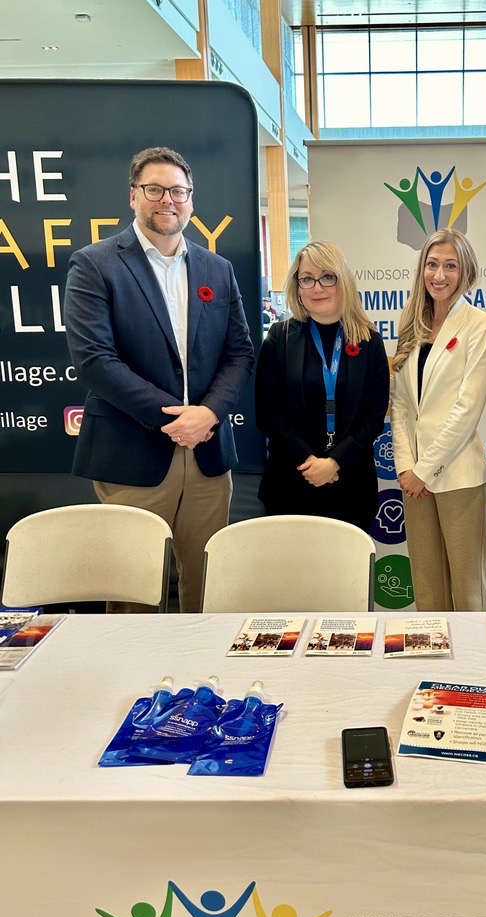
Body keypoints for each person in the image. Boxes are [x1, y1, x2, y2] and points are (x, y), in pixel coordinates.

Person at [64, 146, 254, 613]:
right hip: (134, 453)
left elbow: (241, 353)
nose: (166, 200)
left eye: (178, 191)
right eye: (154, 189)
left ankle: (204, 683)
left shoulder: (218, 269)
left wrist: (207, 413)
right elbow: (94, 360)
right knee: (134, 593)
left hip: (208, 455)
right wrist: (174, 418)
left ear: (191, 200)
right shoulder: (95, 264)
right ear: (133, 196)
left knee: (208, 588)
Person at [390, 229, 486, 611]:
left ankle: (473, 668)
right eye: (432, 265)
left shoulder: (479, 325)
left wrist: (424, 469)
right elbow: (401, 405)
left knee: (467, 591)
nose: (440, 275)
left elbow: (466, 410)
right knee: (427, 585)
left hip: (457, 475)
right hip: (413, 479)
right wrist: (406, 467)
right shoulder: (411, 325)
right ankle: (431, 658)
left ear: (464, 271)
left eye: (450, 266)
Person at [255, 240, 389, 533]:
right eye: (307, 279)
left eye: (328, 277)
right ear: (297, 287)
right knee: (291, 576)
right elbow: (267, 411)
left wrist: (335, 462)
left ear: (344, 281)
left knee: (346, 576)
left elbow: (374, 415)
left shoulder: (369, 340)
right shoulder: (280, 337)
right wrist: (308, 459)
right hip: (291, 480)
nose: (317, 288)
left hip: (350, 480)